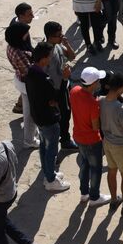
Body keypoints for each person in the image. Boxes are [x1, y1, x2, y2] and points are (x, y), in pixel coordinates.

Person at [24, 42, 70, 191]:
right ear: (44, 58)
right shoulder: (45, 79)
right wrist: (64, 79)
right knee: (51, 150)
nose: (51, 58)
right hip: (48, 119)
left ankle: (48, 173)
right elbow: (56, 99)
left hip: (37, 117)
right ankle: (50, 180)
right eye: (50, 56)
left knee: (44, 146)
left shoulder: (30, 71)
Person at [69, 66, 111, 207]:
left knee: (84, 165)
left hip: (78, 137)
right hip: (92, 140)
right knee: (96, 169)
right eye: (98, 81)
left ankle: (84, 193)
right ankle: (94, 197)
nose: (99, 83)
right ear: (92, 84)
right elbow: (95, 127)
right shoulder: (93, 104)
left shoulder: (74, 91)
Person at [98, 72, 123, 215]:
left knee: (111, 171)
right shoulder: (120, 109)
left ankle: (114, 200)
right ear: (120, 88)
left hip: (107, 142)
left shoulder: (100, 100)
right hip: (122, 146)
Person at [44, 22, 75, 153]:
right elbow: (44, 76)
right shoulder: (46, 53)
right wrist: (63, 75)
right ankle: (57, 147)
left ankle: (65, 139)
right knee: (59, 117)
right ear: (50, 37)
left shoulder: (58, 46)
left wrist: (67, 44)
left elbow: (72, 56)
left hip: (64, 84)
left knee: (67, 114)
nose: (61, 37)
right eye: (58, 35)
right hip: (55, 90)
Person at [5, 22, 39, 143]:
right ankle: (29, 140)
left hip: (20, 80)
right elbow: (29, 72)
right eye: (25, 34)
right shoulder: (19, 53)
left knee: (27, 110)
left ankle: (32, 134)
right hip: (27, 84)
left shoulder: (12, 46)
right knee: (30, 114)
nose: (27, 35)